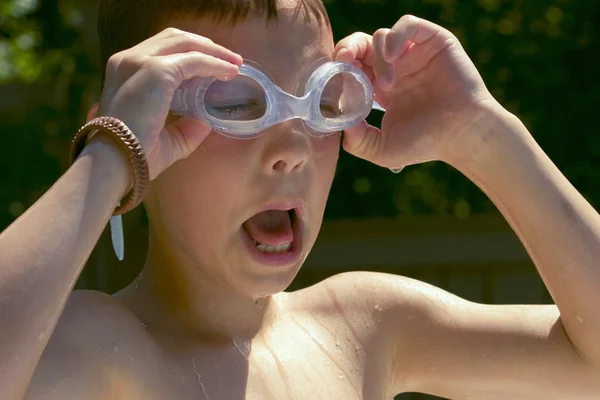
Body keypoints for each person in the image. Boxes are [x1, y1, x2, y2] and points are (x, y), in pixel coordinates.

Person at [1, 0, 599, 398]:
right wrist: (107, 158)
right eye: (234, 104)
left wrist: (482, 134)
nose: (292, 147)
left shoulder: (364, 326)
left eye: (321, 100)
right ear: (143, 133)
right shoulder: (99, 348)